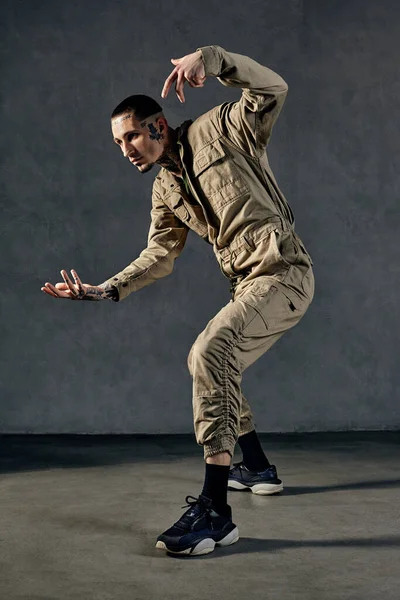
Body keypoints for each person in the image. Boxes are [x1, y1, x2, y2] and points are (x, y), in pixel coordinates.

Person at [41, 45, 315, 556]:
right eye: (118, 142)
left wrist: (212, 60)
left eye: (131, 136)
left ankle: (216, 512)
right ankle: (254, 465)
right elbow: (160, 255)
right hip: (247, 286)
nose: (125, 149)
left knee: (212, 353)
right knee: (208, 362)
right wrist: (104, 288)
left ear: (158, 126)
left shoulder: (222, 128)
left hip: (285, 273)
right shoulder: (166, 186)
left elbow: (272, 88)